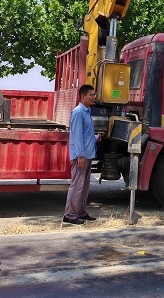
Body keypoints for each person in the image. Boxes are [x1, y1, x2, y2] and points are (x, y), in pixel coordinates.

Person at [62, 84, 100, 226]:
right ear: (82, 96)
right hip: (82, 156)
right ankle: (69, 215)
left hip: (88, 155)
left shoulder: (87, 111)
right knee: (77, 185)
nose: (93, 97)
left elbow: (86, 134)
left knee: (84, 186)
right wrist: (80, 156)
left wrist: (96, 138)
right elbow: (77, 136)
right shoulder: (78, 112)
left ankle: (81, 212)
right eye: (91, 94)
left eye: (94, 94)